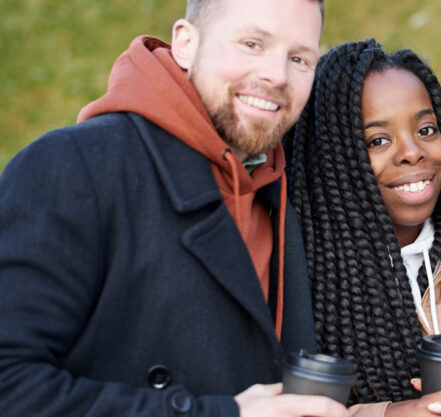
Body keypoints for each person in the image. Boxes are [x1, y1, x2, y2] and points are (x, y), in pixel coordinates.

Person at [0, 1, 349, 416]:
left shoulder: (285, 193)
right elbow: (10, 385)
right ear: (185, 43)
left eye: (299, 58)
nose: (277, 74)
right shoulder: (70, 167)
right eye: (252, 43)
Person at [286, 40, 441, 417]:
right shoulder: (303, 278)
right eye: (378, 140)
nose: (412, 151)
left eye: (426, 129)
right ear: (331, 160)